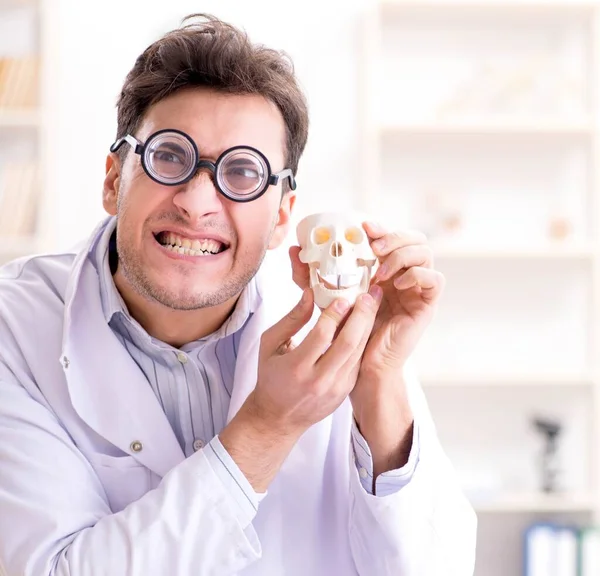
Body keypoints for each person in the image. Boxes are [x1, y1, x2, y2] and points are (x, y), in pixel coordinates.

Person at [0, 13, 476, 576]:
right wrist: (267, 428)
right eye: (169, 156)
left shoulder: (337, 320)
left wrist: (379, 382)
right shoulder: (16, 327)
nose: (197, 203)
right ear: (113, 179)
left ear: (282, 217)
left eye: (244, 173)